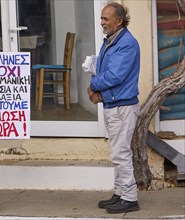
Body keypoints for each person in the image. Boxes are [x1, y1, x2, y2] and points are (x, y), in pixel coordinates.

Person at [87, 2, 141, 214]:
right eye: (101, 18)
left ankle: (129, 198)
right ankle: (120, 193)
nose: (102, 22)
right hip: (115, 103)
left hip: (122, 106)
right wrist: (97, 87)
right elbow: (106, 70)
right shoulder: (111, 40)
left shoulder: (126, 43)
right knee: (117, 152)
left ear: (119, 21)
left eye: (105, 19)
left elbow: (115, 75)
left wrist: (93, 86)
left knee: (121, 154)